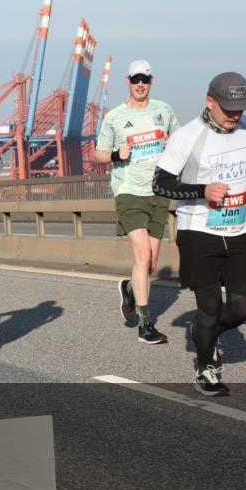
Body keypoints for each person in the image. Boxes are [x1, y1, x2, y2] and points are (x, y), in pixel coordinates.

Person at [153, 72, 246, 397]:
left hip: (240, 230)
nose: (235, 115)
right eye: (228, 108)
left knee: (243, 308)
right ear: (209, 101)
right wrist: (203, 189)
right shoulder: (187, 137)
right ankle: (207, 368)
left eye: (240, 108)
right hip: (198, 233)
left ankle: (203, 332)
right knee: (209, 308)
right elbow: (161, 184)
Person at [94, 59, 180, 343]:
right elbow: (98, 155)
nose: (140, 84)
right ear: (127, 81)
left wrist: (173, 146)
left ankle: (129, 289)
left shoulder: (164, 111)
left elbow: (180, 144)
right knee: (142, 254)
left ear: (151, 81)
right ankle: (146, 324)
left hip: (157, 192)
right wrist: (117, 155)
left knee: (151, 261)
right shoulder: (114, 117)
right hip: (128, 190)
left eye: (145, 79)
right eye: (135, 79)